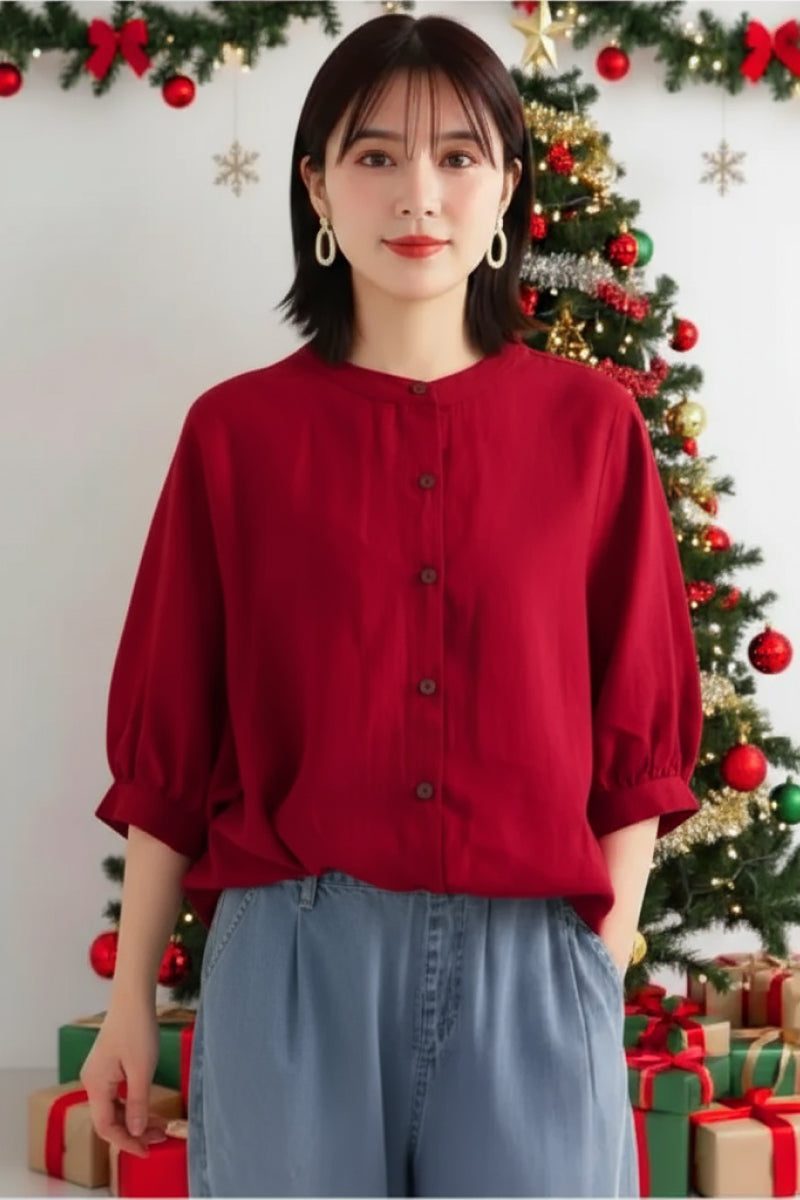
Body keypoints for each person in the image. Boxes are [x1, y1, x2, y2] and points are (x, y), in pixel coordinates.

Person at [83, 12, 704, 1198]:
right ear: (316, 185)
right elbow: (172, 743)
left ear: (506, 188)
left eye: (457, 156)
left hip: (535, 971)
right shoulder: (236, 436)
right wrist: (130, 1011)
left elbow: (639, 741)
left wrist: (595, 966)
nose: (417, 192)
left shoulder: (590, 430)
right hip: (293, 969)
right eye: (373, 155)